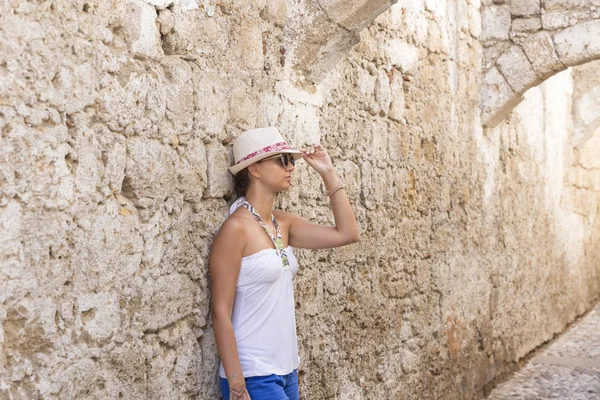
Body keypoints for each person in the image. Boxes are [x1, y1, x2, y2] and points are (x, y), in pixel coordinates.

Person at [209, 127, 359, 400]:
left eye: (291, 160)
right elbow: (220, 311)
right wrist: (236, 383)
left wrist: (327, 172)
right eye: (282, 160)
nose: (291, 167)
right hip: (252, 374)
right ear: (254, 169)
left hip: (287, 370)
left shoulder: (283, 223)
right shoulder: (236, 229)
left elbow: (347, 233)